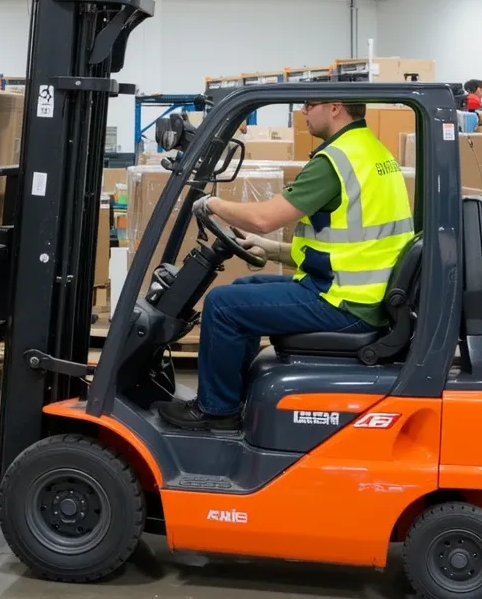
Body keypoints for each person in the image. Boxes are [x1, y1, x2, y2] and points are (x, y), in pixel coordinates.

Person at [153, 99, 416, 431]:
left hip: (346, 302)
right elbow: (348, 247)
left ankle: (216, 410)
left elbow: (264, 219)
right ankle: (234, 397)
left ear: (335, 108)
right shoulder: (372, 151)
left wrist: (212, 203)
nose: (304, 112)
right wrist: (272, 249)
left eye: (309, 104)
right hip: (359, 292)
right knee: (242, 288)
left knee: (222, 305)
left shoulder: (335, 162)